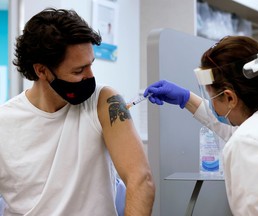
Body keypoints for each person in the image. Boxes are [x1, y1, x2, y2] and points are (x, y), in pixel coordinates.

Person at [0, 8, 155, 215]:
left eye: (90, 65)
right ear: (42, 70)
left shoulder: (104, 102)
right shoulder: (4, 124)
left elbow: (141, 179)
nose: (90, 76)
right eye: (78, 71)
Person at [144, 36, 258, 215]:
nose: (211, 103)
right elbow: (240, 129)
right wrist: (186, 98)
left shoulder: (248, 144)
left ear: (229, 98)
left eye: (211, 96)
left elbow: (246, 138)